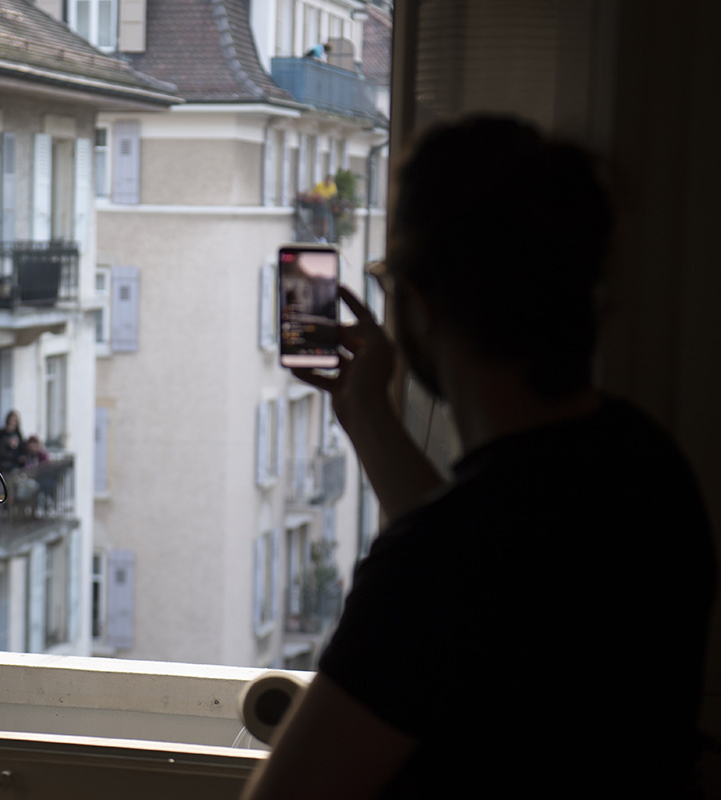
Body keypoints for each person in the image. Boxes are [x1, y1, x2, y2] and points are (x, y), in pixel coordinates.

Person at [241, 116, 716, 798]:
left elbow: (456, 573)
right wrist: (368, 412)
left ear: (422, 306)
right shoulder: (647, 465)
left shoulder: (440, 567)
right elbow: (486, 573)